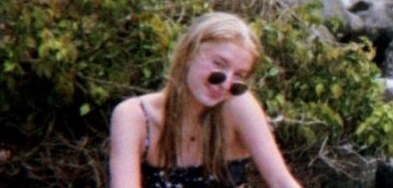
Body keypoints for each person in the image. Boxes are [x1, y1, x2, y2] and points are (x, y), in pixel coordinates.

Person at [110, 12, 303, 188]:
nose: (226, 84)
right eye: (219, 64)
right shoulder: (135, 116)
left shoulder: (237, 104)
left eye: (239, 76)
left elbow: (281, 181)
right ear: (189, 53)